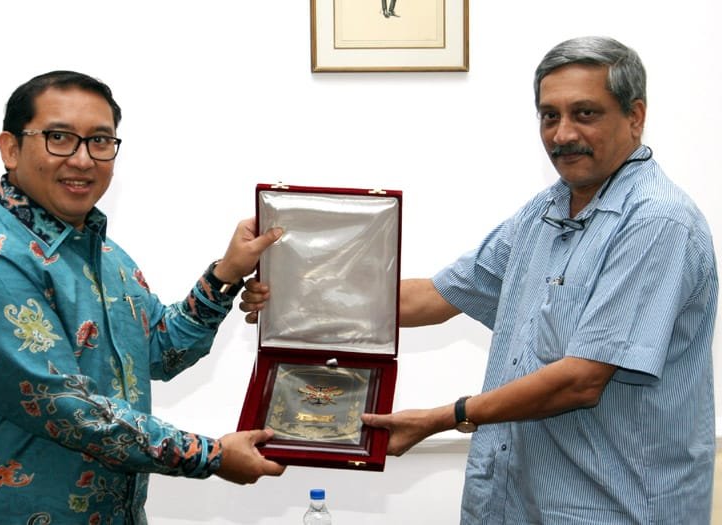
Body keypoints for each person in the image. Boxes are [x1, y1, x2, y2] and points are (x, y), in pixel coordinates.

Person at [243, 36, 718, 523]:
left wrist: (443, 418)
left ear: (635, 116)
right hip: (515, 499)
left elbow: (580, 381)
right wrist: (296, 298)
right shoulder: (544, 212)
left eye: (585, 113)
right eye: (549, 115)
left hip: (615, 506)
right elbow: (435, 296)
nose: (562, 134)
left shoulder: (657, 222)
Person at [0, 71, 285, 524]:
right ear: (10, 148)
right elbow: (68, 408)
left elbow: (160, 350)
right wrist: (210, 455)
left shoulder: (104, 254)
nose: (82, 159)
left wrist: (226, 275)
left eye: (100, 141)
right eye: (59, 138)